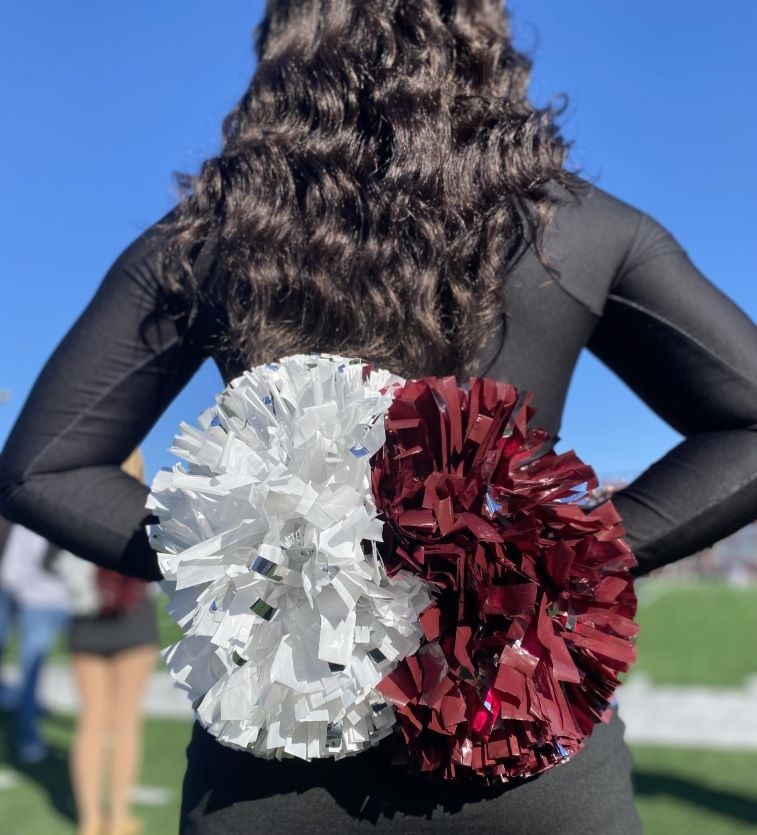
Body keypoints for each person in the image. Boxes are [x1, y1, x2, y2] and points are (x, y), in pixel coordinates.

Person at [1, 2, 756, 833]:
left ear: (284, 46)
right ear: (483, 41)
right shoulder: (575, 227)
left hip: (272, 770)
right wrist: (546, 558)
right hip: (522, 749)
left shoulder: (211, 237)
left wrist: (246, 566)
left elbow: (44, 466)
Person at [55, 449, 158, 835]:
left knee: (93, 721)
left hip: (88, 621)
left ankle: (89, 821)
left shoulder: (72, 505)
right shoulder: (146, 504)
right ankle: (117, 818)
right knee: (125, 721)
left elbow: (55, 563)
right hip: (133, 620)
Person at [0, 518, 70, 763]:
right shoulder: (30, 522)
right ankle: (28, 737)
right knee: (31, 675)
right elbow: (10, 572)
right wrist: (32, 591)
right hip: (40, 605)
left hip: (76, 606)